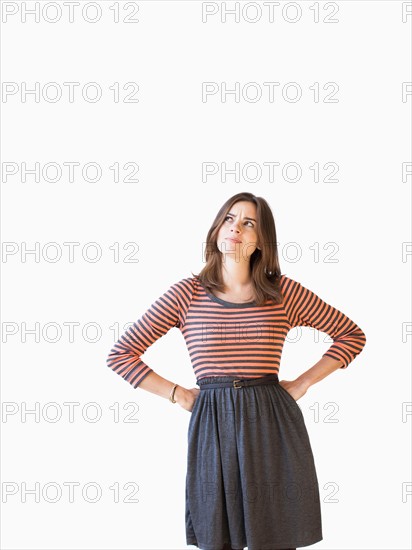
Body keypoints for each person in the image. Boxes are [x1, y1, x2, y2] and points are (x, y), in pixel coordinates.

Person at [106, 191, 367, 550]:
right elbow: (121, 354)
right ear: (216, 229)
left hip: (271, 419)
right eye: (229, 219)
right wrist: (177, 393)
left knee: (275, 535)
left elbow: (351, 335)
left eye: (249, 223)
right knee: (217, 536)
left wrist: (304, 382)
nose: (236, 229)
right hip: (212, 420)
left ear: (262, 240)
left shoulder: (283, 293)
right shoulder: (186, 294)